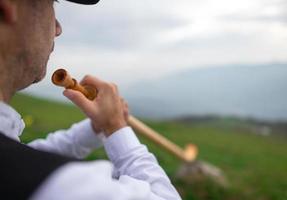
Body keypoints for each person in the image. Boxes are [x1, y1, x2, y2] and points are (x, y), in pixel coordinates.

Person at [0, 0, 181, 199]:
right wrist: (115, 127)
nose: (58, 28)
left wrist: (95, 128)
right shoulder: (66, 188)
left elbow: (27, 156)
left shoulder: (19, 168)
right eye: (51, 2)